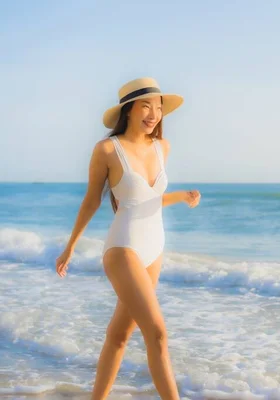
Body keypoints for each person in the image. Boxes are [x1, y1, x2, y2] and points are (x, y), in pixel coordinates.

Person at [55, 77, 200, 400]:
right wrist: (70, 248)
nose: (154, 114)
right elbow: (92, 200)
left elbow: (148, 198)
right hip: (123, 249)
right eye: (146, 106)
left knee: (119, 336)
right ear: (129, 110)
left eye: (159, 108)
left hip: (155, 249)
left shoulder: (163, 147)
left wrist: (181, 196)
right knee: (158, 333)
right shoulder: (108, 149)